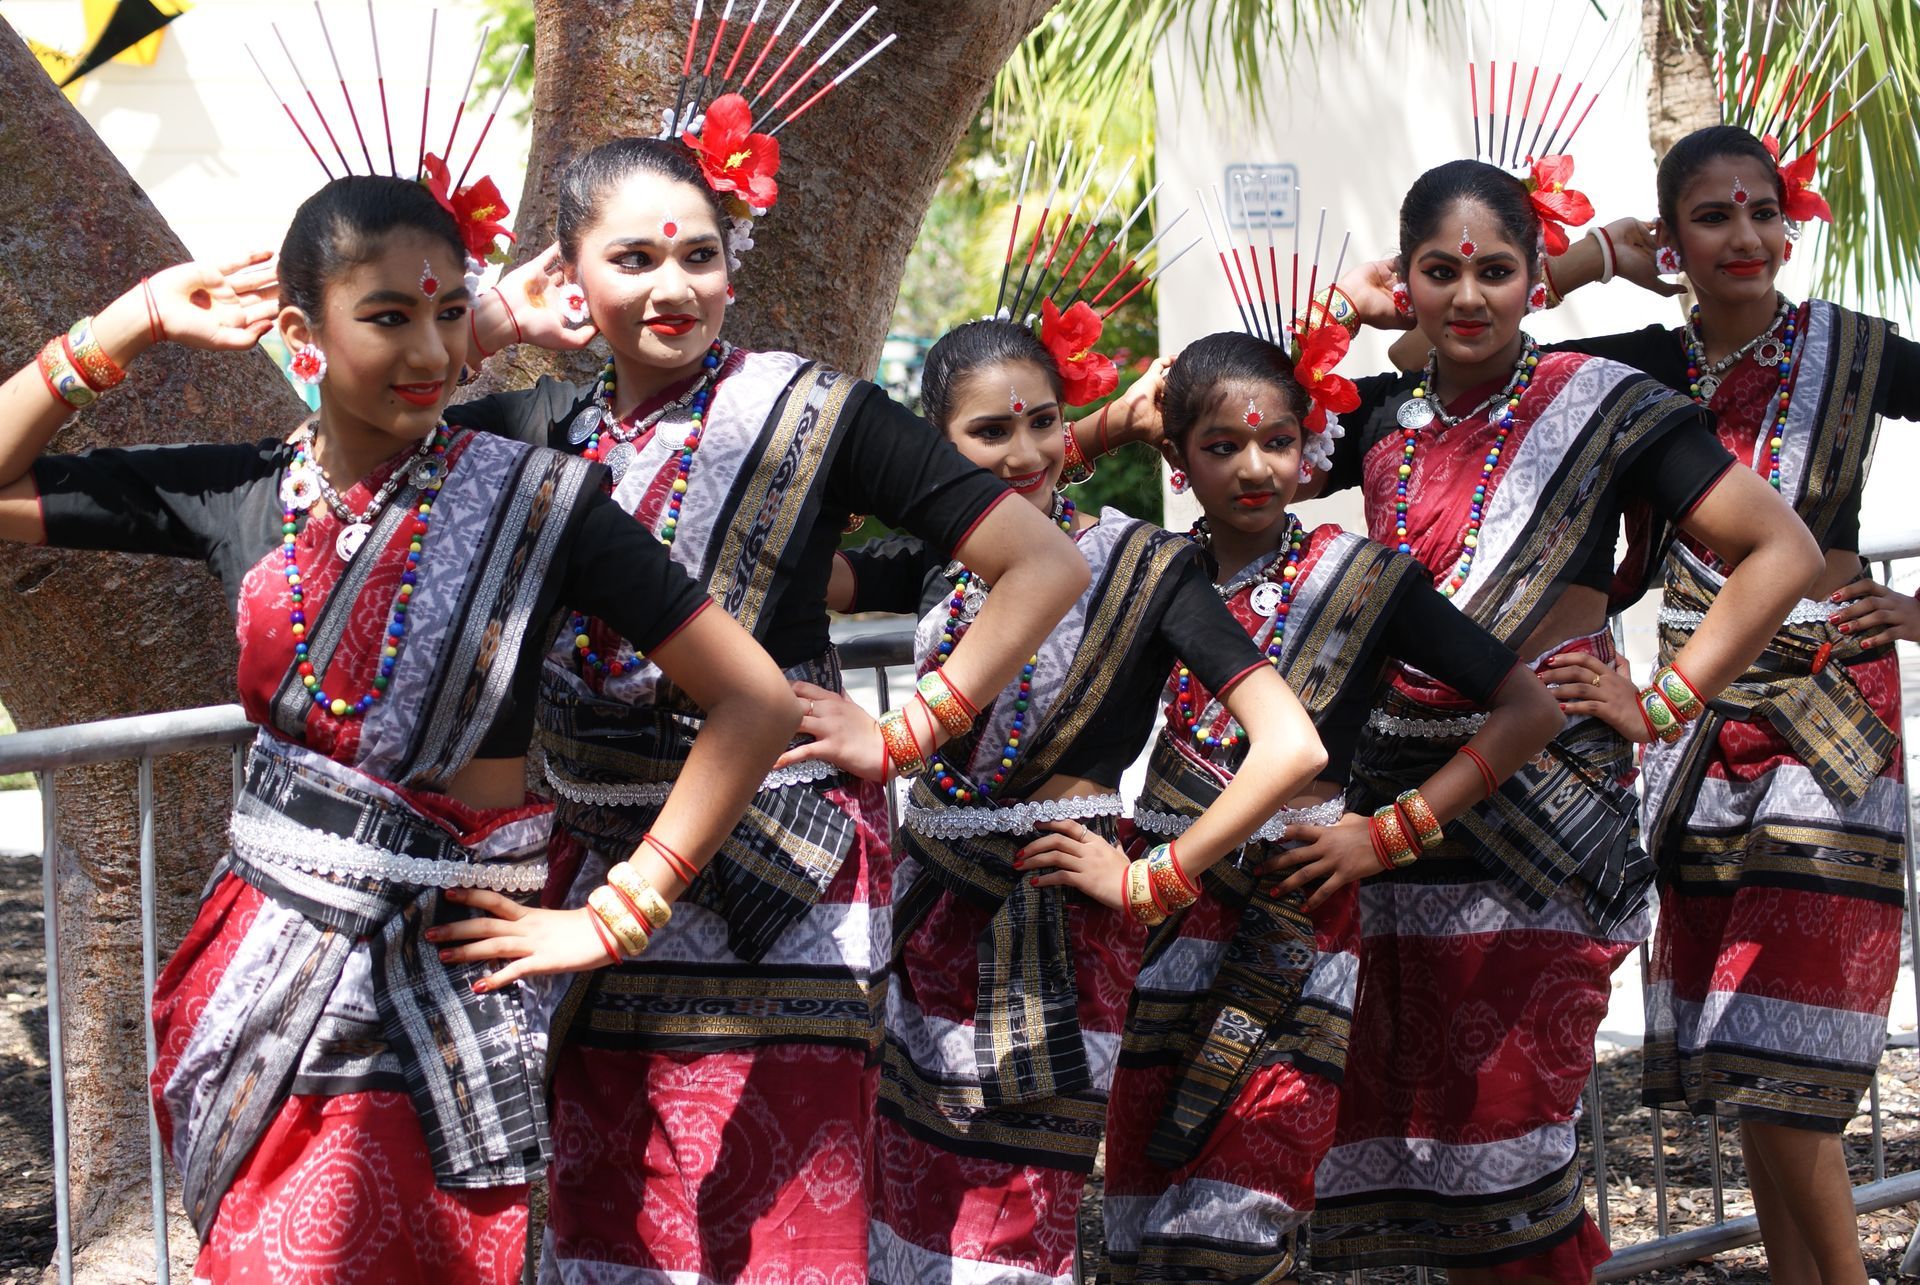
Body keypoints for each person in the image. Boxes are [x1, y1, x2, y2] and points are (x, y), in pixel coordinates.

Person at [0, 175, 800, 1283]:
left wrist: (617, 914)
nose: (430, 347)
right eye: (387, 316)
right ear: (301, 332)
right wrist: (132, 317)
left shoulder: (540, 502)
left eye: (447, 310)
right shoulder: (246, 495)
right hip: (263, 975)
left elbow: (753, 700)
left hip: (443, 981)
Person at [445, 127, 1092, 1279]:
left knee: (777, 1217)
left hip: (782, 877)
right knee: (622, 1210)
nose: (672, 287)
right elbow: (359, 442)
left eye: (698, 256)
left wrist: (908, 726)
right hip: (596, 868)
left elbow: (1042, 563)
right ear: (571, 276)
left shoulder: (812, 413)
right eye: (633, 259)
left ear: (732, 268)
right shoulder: (539, 432)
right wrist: (490, 326)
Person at [1283, 157, 1823, 1281]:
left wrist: (1665, 697)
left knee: (1510, 1142)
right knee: (1401, 1141)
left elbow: (1785, 551)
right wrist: (1347, 310)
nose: (1468, 296)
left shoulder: (1608, 401)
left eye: (1496, 270)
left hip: (1545, 825)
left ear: (1538, 277)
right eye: (1440, 272)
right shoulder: (1377, 420)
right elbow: (1216, 418)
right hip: (1401, 817)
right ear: (1408, 281)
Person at [810, 315, 1328, 1284]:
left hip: (1052, 939)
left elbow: (1291, 745)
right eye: (990, 433)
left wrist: (1149, 879)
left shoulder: (1145, 567)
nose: (1027, 452)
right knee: (903, 1211)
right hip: (926, 931)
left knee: (1010, 1228)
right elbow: (804, 569)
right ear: (937, 445)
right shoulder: (941, 557)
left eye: (1045, 424)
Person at [1094, 328, 1564, 1283]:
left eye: (1277, 441)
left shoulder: (1365, 580)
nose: (1255, 466)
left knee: (1231, 1231)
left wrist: (1390, 832)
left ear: (1312, 448)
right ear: (1177, 457)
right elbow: (997, 482)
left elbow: (1529, 706)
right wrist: (1105, 425)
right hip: (1164, 921)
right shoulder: (1143, 575)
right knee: (1146, 1232)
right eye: (1220, 445)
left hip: (1297, 918)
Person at [1535, 122, 1920, 1285]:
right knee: (1752, 1064)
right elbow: (1474, 358)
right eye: (1713, 216)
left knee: (1789, 1068)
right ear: (1674, 241)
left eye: (1764, 211)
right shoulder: (1641, 368)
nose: (1745, 235)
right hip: (1700, 736)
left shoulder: (1857, 353)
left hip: (1831, 720)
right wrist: (1593, 254)